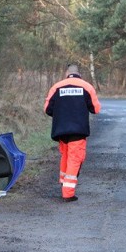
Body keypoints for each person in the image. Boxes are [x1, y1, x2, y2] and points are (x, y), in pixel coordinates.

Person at [44, 64, 101, 202]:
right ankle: (68, 193)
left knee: (66, 157)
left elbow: (47, 109)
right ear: (79, 74)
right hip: (78, 130)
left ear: (67, 73)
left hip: (60, 130)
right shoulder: (86, 87)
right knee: (75, 159)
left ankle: (64, 183)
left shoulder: (56, 87)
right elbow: (96, 109)